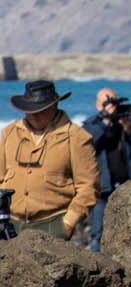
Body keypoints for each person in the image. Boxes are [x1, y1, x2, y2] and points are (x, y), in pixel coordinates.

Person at [0, 79, 97, 240]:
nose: (34, 116)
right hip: (10, 223)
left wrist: (68, 223)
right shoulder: (9, 134)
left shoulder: (75, 137)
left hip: (53, 224)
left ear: (54, 106)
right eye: (30, 111)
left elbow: (88, 186)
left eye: (40, 111)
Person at [81, 87, 131, 252]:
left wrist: (129, 130)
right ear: (98, 106)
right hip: (102, 189)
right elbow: (87, 144)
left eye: (114, 101)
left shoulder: (125, 122)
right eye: (107, 103)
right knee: (98, 233)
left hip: (127, 185)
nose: (112, 106)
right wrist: (106, 122)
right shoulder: (91, 125)